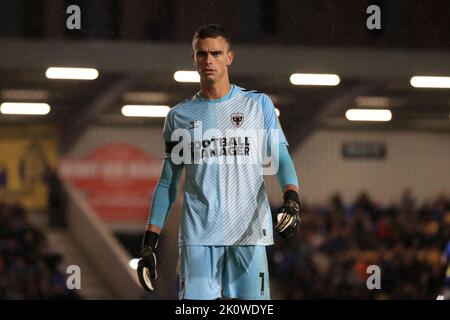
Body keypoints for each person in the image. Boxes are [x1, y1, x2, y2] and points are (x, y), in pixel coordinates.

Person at [137, 24, 301, 300]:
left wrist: (292, 201)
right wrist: (148, 245)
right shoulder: (179, 116)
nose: (208, 60)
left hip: (249, 235)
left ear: (229, 57)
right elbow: (167, 182)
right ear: (194, 58)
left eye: (216, 53)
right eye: (202, 54)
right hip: (199, 238)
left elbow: (281, 157)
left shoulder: (257, 106)